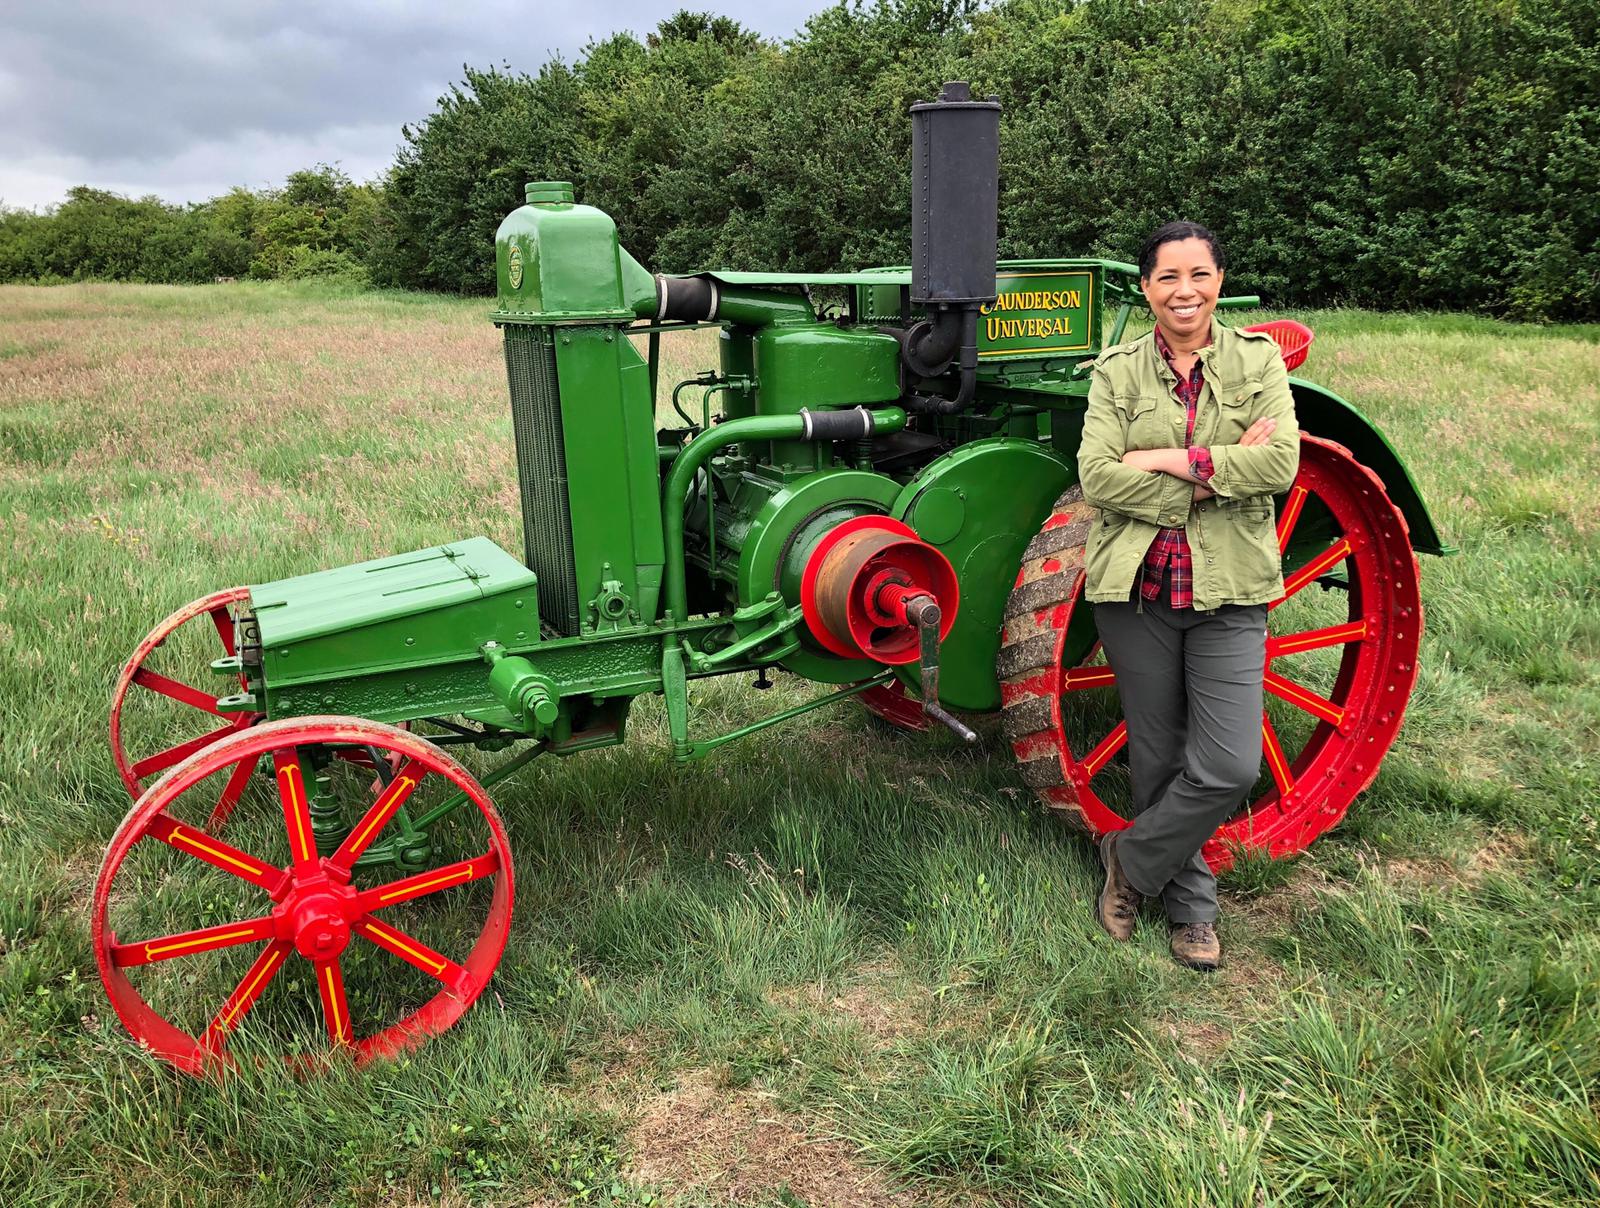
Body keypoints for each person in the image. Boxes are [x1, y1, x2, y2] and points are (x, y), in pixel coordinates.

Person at [1075, 221, 1300, 970]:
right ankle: (1194, 913)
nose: (1184, 291)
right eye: (1168, 277)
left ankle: (1128, 860)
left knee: (1231, 764)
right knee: (1159, 756)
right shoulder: (1117, 371)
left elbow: (1280, 465)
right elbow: (1098, 475)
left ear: (1218, 282)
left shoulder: (1258, 361)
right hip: (1138, 587)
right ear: (1146, 289)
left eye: (1198, 275)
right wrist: (1216, 473)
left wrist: (1169, 459)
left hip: (1230, 586)